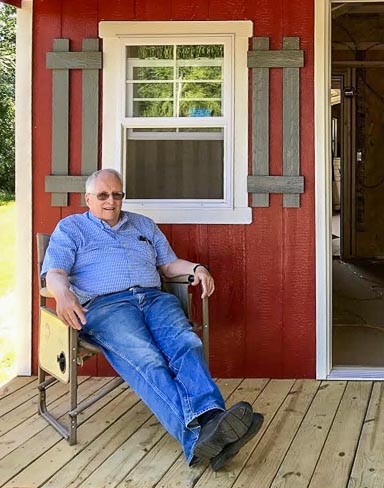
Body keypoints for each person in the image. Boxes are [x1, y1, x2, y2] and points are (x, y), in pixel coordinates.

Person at [41, 168, 264, 470]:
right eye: (103, 195)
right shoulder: (71, 228)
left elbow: (170, 265)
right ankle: (200, 436)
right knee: (148, 359)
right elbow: (54, 273)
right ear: (88, 198)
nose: (111, 201)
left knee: (186, 343)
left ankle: (214, 425)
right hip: (107, 307)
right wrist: (63, 294)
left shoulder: (143, 225)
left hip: (154, 299)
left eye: (117, 194)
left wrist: (197, 268)